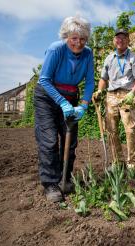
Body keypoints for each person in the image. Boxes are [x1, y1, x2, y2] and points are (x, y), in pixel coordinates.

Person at [34, 16, 94, 202]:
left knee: (71, 139)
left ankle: (65, 178)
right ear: (66, 36)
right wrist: (61, 102)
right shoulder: (56, 49)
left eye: (82, 39)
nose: (78, 43)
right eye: (74, 38)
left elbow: (90, 82)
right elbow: (44, 79)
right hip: (47, 96)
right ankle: (50, 183)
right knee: (50, 139)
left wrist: (83, 105)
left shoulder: (88, 53)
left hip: (70, 96)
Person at [93, 29, 135, 168]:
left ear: (128, 40)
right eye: (117, 38)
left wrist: (132, 93)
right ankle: (118, 161)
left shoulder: (134, 57)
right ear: (114, 41)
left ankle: (133, 163)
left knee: (130, 129)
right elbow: (103, 78)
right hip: (111, 96)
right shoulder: (109, 58)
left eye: (123, 38)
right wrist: (99, 91)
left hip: (127, 94)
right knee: (111, 130)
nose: (120, 40)